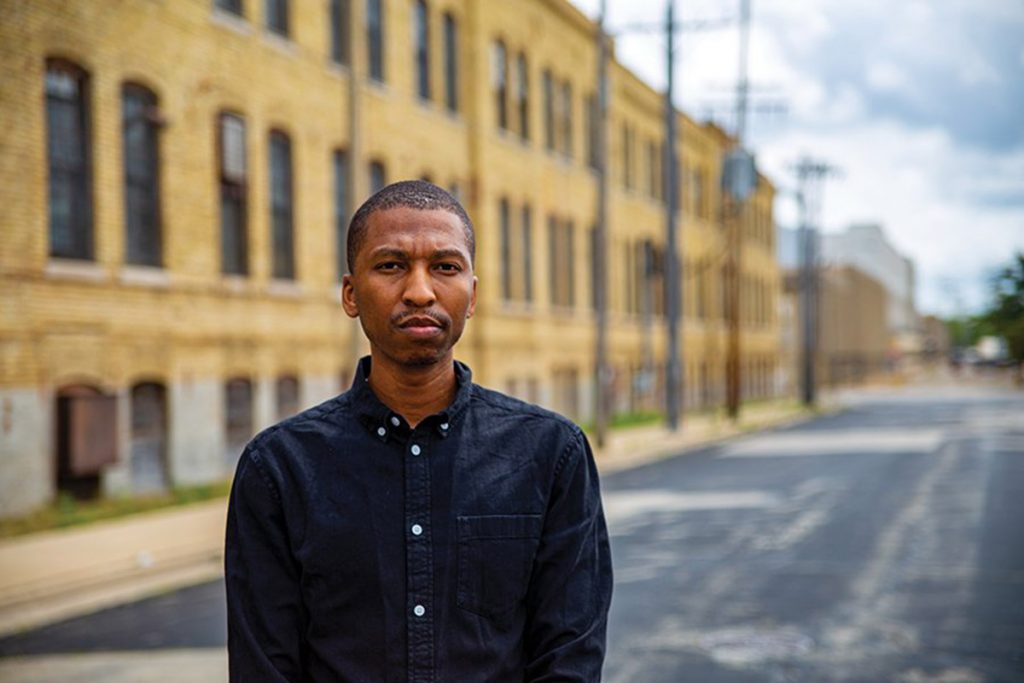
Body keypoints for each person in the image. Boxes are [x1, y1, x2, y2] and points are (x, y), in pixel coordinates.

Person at [225, 180, 613, 682]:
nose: (420, 291)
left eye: (445, 267)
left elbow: (570, 659)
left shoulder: (552, 455)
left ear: (471, 296)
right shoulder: (279, 469)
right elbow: (264, 668)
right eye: (391, 266)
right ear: (350, 294)